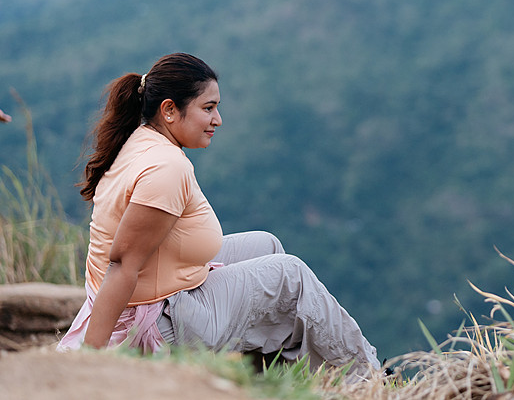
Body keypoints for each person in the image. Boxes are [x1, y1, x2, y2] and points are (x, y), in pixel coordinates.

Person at [58, 52, 381, 379]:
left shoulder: (143, 140)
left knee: (266, 245)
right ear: (169, 110)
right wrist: (91, 361)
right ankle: (369, 379)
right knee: (290, 275)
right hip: (155, 323)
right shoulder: (166, 168)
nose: (218, 120)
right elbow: (123, 265)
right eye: (208, 108)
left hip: (156, 298)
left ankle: (264, 380)